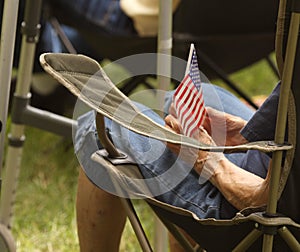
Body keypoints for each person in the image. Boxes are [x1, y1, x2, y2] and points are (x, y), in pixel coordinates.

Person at [75, 82, 280, 251]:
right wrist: (248, 134)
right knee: (192, 99)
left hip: (252, 212)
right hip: (272, 163)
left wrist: (206, 159)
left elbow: (267, 200)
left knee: (101, 123)